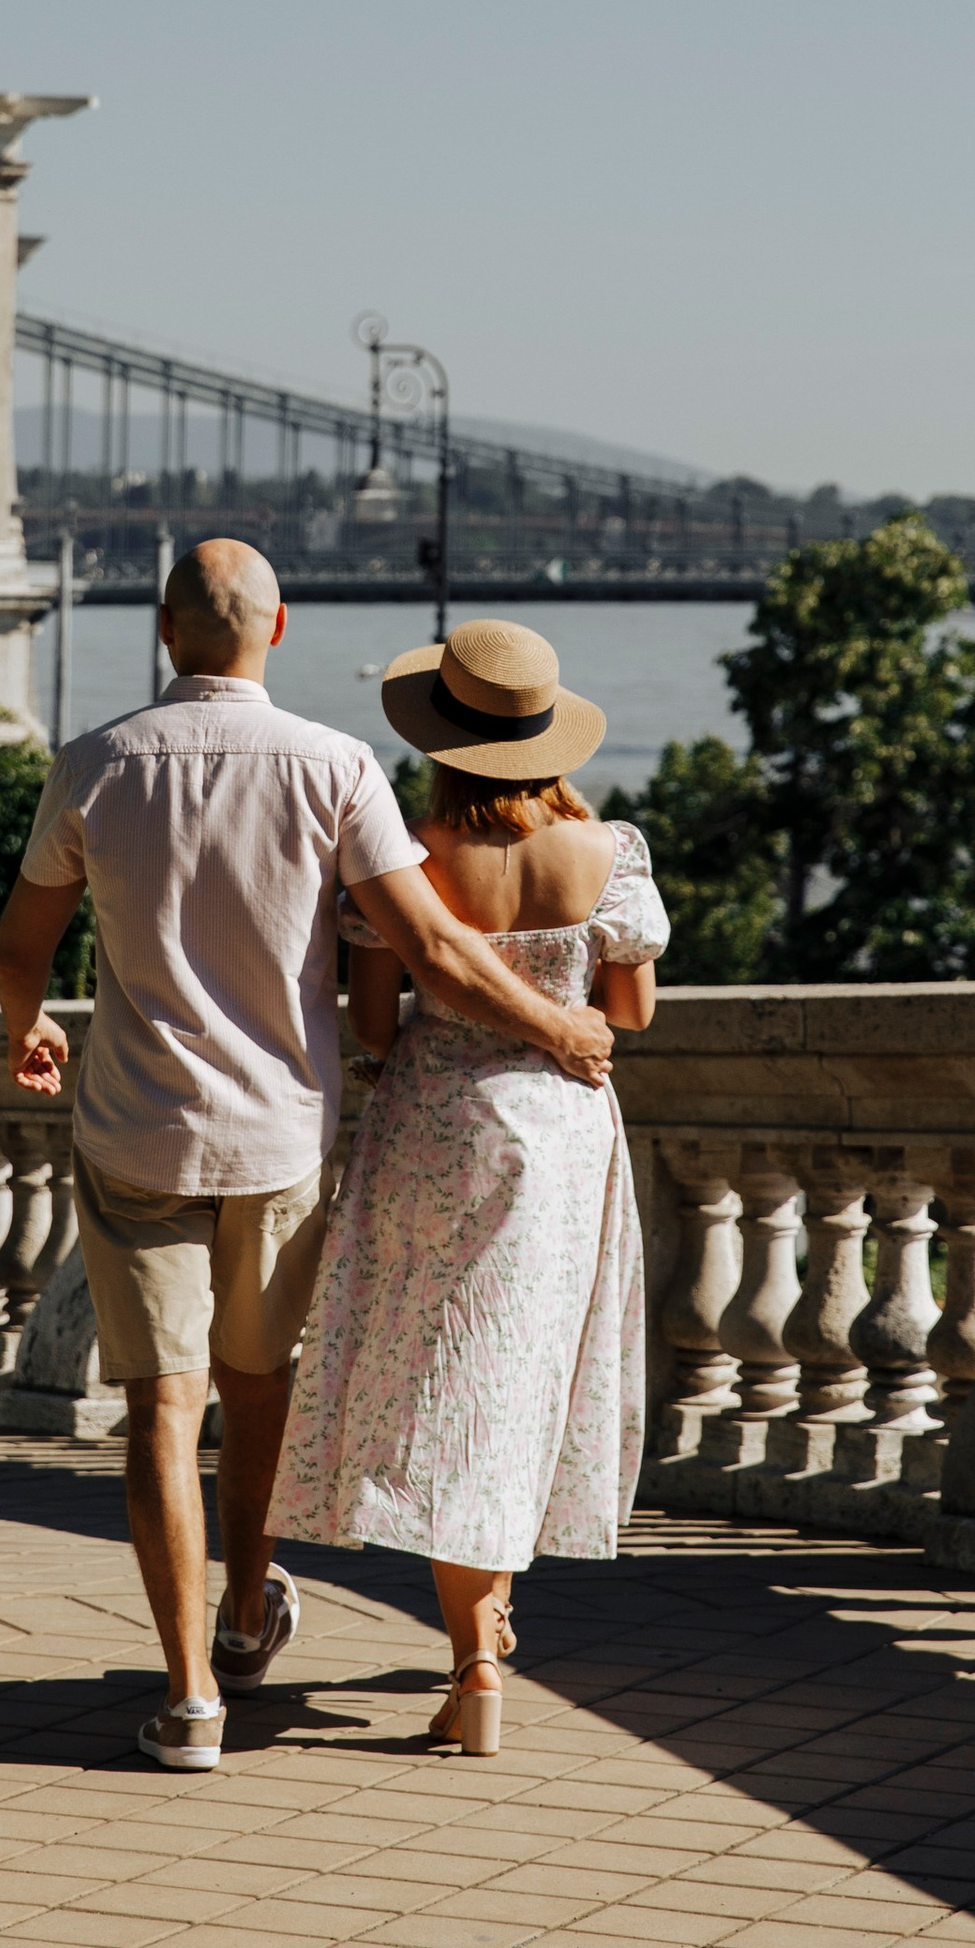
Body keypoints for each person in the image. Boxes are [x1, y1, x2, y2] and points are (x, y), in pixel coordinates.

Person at [0, 543, 615, 1775]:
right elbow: (431, 945)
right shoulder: (334, 768)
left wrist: (29, 1027)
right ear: (276, 623)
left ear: (166, 629)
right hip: (281, 1135)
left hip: (136, 1127)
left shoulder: (95, 764)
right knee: (258, 1384)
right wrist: (556, 1026)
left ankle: (187, 1703)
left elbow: (21, 942)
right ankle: (243, 1608)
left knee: (161, 1411)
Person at [266, 620, 668, 1759]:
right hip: (564, 1136)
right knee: (518, 1380)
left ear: (441, 741)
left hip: (435, 1131)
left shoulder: (411, 853)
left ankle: (477, 1652)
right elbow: (628, 1018)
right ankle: (481, 1645)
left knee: (450, 1382)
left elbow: (374, 1022)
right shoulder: (609, 854)